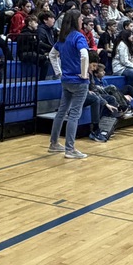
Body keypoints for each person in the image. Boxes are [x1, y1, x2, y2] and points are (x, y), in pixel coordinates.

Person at [48, 10, 90, 159]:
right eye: (81, 19)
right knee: (74, 115)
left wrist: (59, 72)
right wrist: (84, 74)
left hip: (66, 81)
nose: (82, 21)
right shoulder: (79, 36)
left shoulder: (63, 37)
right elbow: (84, 54)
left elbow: (52, 55)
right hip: (79, 82)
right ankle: (70, 149)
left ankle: (53, 143)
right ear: (75, 20)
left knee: (61, 112)